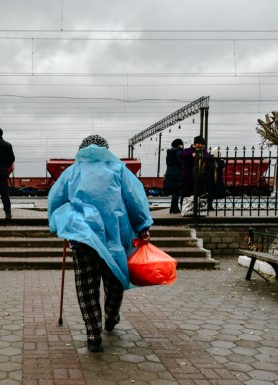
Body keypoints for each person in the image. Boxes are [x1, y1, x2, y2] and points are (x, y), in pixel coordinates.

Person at [48, 135, 153, 353]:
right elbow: (134, 199)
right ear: (106, 149)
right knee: (114, 279)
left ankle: (93, 334)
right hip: (114, 236)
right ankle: (111, 317)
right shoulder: (118, 170)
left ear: (82, 149)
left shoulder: (73, 171)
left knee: (86, 284)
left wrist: (57, 224)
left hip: (82, 236)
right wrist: (143, 225)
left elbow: (56, 199)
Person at [180, 135, 213, 212]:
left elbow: (209, 158)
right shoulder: (188, 150)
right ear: (195, 144)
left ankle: (197, 209)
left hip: (199, 177)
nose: (200, 145)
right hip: (188, 176)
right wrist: (191, 155)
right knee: (186, 194)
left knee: (199, 194)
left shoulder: (204, 152)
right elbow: (182, 155)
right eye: (199, 143)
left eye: (202, 144)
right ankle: (184, 209)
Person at [163, 138, 183, 213]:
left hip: (169, 173)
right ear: (179, 145)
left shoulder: (169, 153)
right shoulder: (178, 152)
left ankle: (173, 208)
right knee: (176, 192)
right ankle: (174, 208)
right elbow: (181, 162)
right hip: (177, 173)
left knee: (174, 192)